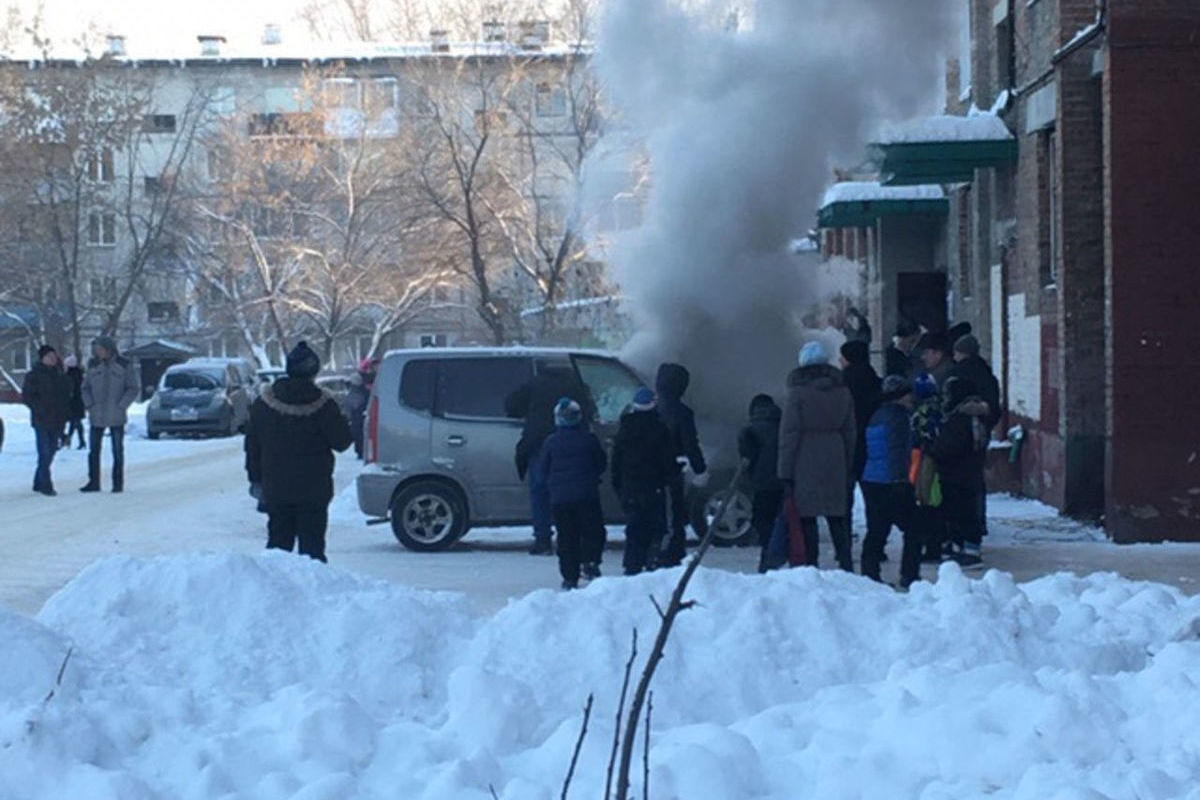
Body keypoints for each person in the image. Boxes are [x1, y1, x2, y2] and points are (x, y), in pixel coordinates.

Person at [245, 341, 353, 562]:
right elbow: (342, 442)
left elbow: (252, 447)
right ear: (314, 371)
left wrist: (256, 480)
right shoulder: (324, 405)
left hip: (276, 488)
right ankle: (313, 593)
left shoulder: (263, 404)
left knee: (277, 549)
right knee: (313, 550)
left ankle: (274, 593)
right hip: (314, 489)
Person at [777, 342, 855, 571]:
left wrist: (785, 472)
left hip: (805, 457)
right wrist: (847, 462)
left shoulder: (797, 394)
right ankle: (846, 561)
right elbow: (850, 432)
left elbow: (789, 434)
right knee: (837, 515)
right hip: (835, 455)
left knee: (806, 516)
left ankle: (811, 565)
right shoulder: (843, 392)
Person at [506, 365, 592, 556]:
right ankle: (569, 538)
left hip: (538, 442)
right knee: (571, 492)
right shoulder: (576, 383)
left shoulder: (535, 383)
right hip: (572, 441)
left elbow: (511, 405)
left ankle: (543, 539)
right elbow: (590, 409)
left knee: (540, 491)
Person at [535, 398, 608, 589]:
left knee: (567, 537)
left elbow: (542, 472)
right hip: (587, 495)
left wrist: (552, 485)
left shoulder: (550, 442)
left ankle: (569, 576)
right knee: (592, 531)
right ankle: (591, 561)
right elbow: (601, 463)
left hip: (560, 499)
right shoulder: (589, 439)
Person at [859, 375, 918, 583]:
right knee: (914, 529)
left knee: (877, 529)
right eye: (908, 393)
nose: (912, 397)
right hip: (890, 481)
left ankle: (870, 573)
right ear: (900, 396)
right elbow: (896, 452)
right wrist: (900, 481)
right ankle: (909, 575)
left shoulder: (876, 415)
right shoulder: (899, 418)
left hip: (870, 479)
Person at [612, 387, 677, 576]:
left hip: (630, 487)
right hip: (653, 486)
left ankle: (631, 565)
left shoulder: (625, 428)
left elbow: (616, 462)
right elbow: (667, 460)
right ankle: (652, 562)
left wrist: (619, 487)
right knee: (656, 526)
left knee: (634, 526)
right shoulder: (659, 428)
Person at [930, 376, 991, 569]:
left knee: (962, 513)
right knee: (968, 511)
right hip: (970, 472)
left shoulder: (960, 419)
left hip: (956, 473)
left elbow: (948, 446)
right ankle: (965, 547)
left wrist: (932, 449)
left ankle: (970, 553)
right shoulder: (977, 416)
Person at [655, 363, 708, 568]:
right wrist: (701, 469)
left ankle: (655, 552)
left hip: (647, 472)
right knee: (674, 516)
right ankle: (670, 555)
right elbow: (690, 443)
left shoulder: (651, 408)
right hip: (671, 472)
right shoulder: (681, 413)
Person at [80, 336, 140, 493]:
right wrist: (89, 404)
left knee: (117, 450)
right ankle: (94, 481)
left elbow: (133, 388)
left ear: (109, 349)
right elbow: (85, 387)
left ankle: (117, 482)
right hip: (97, 414)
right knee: (94, 450)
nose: (98, 352)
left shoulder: (123, 364)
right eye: (96, 349)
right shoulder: (93, 365)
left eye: (101, 349)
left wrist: (122, 405)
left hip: (116, 414)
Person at [738, 393, 784, 573]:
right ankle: (775, 553)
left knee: (762, 521)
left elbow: (746, 458)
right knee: (783, 520)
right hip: (784, 481)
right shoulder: (784, 425)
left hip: (762, 483)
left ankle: (769, 555)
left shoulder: (750, 430)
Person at [840, 340, 882, 527]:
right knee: (873, 498)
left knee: (844, 499)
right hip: (871, 443)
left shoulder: (842, 383)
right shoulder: (873, 379)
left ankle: (845, 544)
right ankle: (875, 543)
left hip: (848, 443)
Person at [22, 345, 70, 496]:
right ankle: (46, 484)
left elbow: (65, 396)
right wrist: (40, 409)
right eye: (49, 356)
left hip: (57, 419)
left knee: (52, 451)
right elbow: (28, 396)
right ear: (42, 358)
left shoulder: (59, 375)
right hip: (42, 419)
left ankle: (38, 480)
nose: (52, 359)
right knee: (44, 451)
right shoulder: (34, 375)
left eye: (54, 356)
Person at [910, 372, 948, 564]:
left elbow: (919, 436)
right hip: (936, 460)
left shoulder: (924, 412)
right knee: (933, 501)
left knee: (928, 501)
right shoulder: (941, 408)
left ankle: (932, 547)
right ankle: (936, 543)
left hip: (926, 460)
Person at [345, 357, 377, 460]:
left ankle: (362, 451)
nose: (374, 369)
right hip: (359, 411)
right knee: (360, 432)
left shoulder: (373, 379)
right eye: (372, 367)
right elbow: (356, 400)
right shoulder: (360, 382)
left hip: (364, 411)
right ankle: (361, 451)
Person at [62, 355, 86, 450]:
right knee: (76, 422)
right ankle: (79, 441)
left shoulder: (70, 376)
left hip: (73, 402)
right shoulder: (79, 374)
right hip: (78, 402)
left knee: (75, 421)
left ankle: (68, 439)